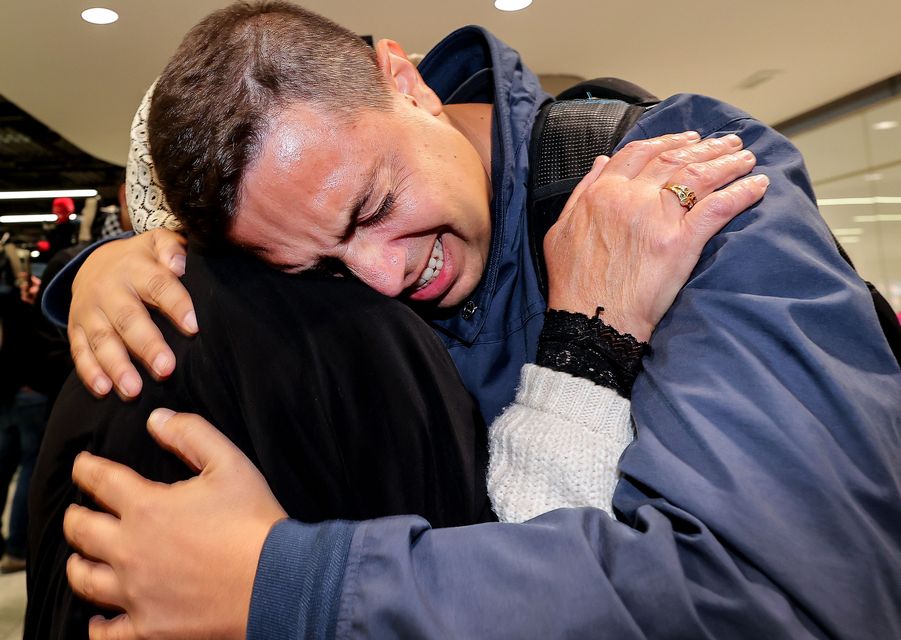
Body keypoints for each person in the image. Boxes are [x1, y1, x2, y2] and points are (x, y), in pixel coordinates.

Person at [46, 2, 900, 638]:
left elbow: (794, 601)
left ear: (406, 82)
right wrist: (115, 266)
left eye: (373, 205)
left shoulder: (678, 180)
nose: (382, 274)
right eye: (323, 270)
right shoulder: (332, 255)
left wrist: (289, 585)